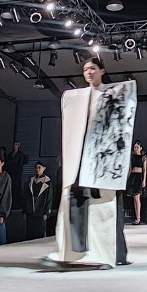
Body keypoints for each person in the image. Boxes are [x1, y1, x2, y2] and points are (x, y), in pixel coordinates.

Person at [45, 56, 136, 270]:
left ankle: (107, 255)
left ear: (102, 71)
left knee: (104, 209)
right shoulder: (76, 97)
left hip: (102, 162)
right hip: (79, 162)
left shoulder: (111, 95)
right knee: (75, 204)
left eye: (93, 68)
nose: (89, 72)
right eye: (86, 69)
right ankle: (76, 253)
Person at [24, 161, 53, 240]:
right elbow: (27, 196)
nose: (37, 169)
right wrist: (25, 210)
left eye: (39, 167)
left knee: (40, 232)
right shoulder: (31, 180)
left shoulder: (47, 181)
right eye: (36, 167)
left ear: (44, 168)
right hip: (31, 210)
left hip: (41, 210)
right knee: (30, 232)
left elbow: (49, 198)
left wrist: (46, 212)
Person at [128, 142, 147, 224]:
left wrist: (144, 180)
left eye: (137, 147)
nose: (136, 149)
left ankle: (138, 217)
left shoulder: (143, 157)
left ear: (141, 148)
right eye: (135, 147)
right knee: (134, 197)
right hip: (133, 176)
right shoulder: (132, 157)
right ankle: (136, 216)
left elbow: (145, 170)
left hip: (139, 177)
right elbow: (130, 168)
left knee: (137, 197)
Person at [8, 142, 28, 210]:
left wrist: (18, 173)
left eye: (16, 145)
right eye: (14, 144)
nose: (14, 146)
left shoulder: (20, 154)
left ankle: (18, 204)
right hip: (10, 173)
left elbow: (20, 165)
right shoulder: (10, 154)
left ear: (19, 146)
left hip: (16, 173)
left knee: (16, 188)